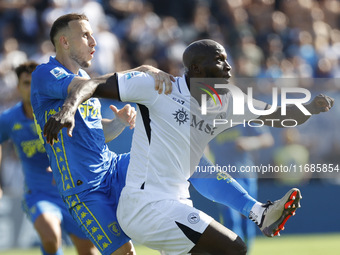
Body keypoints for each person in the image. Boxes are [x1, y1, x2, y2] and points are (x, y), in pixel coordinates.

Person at [42, 38, 333, 255]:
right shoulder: (158, 88)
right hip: (145, 206)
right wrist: (68, 109)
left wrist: (310, 107)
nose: (228, 66)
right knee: (235, 248)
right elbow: (91, 84)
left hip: (179, 203)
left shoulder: (227, 100)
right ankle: (259, 212)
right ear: (195, 67)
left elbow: (276, 114)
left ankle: (259, 212)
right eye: (219, 60)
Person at [30, 13, 173, 255]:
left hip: (112, 168)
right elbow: (79, 88)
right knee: (125, 253)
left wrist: (117, 123)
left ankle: (249, 210)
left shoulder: (86, 77)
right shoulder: (45, 74)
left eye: (92, 35)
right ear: (64, 42)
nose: (93, 42)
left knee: (168, 158)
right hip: (84, 189)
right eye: (85, 36)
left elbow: (97, 132)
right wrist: (140, 70)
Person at [0, 61, 98, 255]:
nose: (30, 88)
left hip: (72, 192)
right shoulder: (10, 119)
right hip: (39, 194)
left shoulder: (60, 111)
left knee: (89, 252)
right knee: (51, 238)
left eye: (33, 83)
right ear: (18, 87)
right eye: (25, 83)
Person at [205, 124, 274, 252]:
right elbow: (202, 142)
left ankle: (246, 251)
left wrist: (250, 142)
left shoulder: (244, 116)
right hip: (222, 177)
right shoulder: (211, 119)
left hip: (246, 175)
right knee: (230, 219)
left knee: (248, 219)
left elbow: (267, 139)